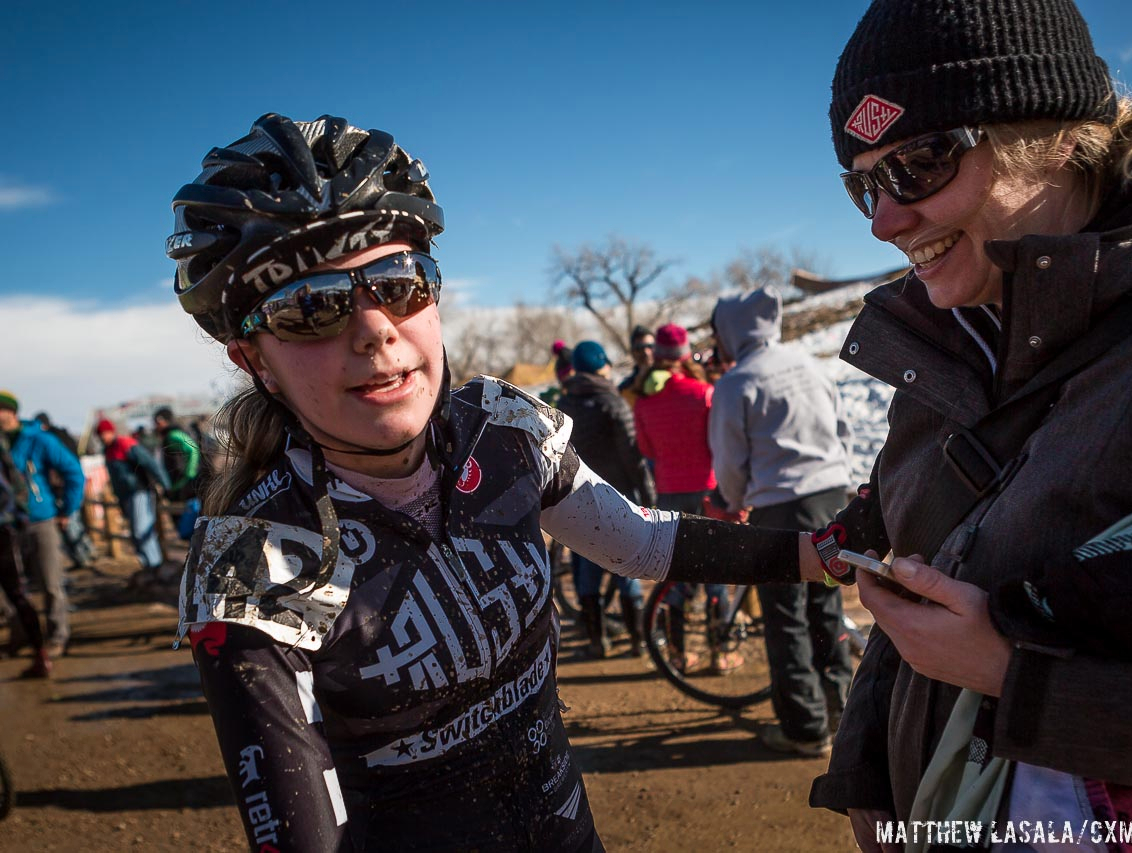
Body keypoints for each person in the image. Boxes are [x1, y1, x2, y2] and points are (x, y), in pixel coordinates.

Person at [166, 113, 820, 852]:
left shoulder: (505, 428)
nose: (376, 329)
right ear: (252, 358)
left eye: (398, 282)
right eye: (312, 307)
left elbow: (644, 543)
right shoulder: (255, 559)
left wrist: (818, 553)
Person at [805, 0, 1132, 847]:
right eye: (863, 183)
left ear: (1057, 133)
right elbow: (920, 580)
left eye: (918, 162)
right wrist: (867, 771)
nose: (884, 219)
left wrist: (1013, 677)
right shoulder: (942, 345)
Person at [708, 288, 854, 757]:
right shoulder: (809, 364)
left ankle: (806, 728)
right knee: (825, 608)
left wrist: (732, 500)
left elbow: (730, 462)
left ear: (731, 331)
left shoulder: (737, 382)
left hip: (779, 514)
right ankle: (846, 714)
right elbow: (842, 428)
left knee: (786, 618)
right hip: (832, 503)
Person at [633, 323, 739, 674]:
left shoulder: (644, 400)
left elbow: (646, 449)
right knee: (715, 568)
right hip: (707, 490)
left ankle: (677, 653)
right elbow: (718, 444)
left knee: (675, 571)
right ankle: (720, 652)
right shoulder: (704, 393)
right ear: (683, 354)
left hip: (668, 493)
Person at [555, 340, 656, 658]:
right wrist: (648, 493)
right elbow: (632, 453)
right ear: (600, 365)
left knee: (586, 568)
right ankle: (638, 639)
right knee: (625, 565)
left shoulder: (565, 403)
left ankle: (598, 641)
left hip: (579, 497)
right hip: (616, 496)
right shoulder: (612, 401)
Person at [0, 390, 83, 659]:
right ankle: (21, 632)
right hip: (7, 526)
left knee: (50, 582)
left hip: (40, 520)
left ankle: (58, 636)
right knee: (10, 588)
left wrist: (66, 510)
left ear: (11, 412)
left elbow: (73, 472)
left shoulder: (38, 439)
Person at [0, 430, 51, 678]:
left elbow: (13, 488)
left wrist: (15, 518)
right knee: (18, 594)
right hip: (7, 527)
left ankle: (41, 655)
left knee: (18, 593)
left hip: (4, 530)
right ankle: (39, 654)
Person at [95, 419, 171, 583]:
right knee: (136, 534)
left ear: (111, 431)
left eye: (104, 433)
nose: (102, 437)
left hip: (139, 492)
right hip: (126, 496)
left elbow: (149, 463)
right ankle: (147, 565)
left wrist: (165, 485)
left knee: (142, 530)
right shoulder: (107, 451)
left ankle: (155, 565)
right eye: (99, 435)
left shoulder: (125, 444)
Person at [34, 412, 96, 570]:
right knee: (72, 522)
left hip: (63, 488)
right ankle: (84, 554)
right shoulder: (62, 437)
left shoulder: (51, 441)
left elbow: (69, 469)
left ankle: (84, 555)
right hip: (64, 487)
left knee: (69, 522)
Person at [153, 406, 203, 531]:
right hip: (178, 485)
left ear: (162, 421)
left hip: (182, 486)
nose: (155, 426)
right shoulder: (170, 436)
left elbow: (193, 449)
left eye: (156, 422)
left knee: (187, 524)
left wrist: (189, 474)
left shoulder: (173, 435)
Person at [616, 325, 655, 408]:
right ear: (633, 352)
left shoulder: (672, 379)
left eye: (650, 346)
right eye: (639, 348)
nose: (646, 352)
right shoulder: (625, 390)